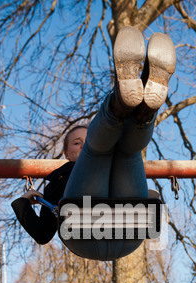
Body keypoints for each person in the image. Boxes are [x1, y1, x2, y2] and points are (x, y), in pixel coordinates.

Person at [12, 26, 176, 260]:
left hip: (126, 232)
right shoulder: (58, 181)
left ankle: (145, 107)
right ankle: (122, 102)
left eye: (86, 139)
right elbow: (42, 234)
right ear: (67, 153)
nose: (82, 144)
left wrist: (148, 195)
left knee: (127, 151)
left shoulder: (107, 155)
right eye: (77, 143)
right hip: (83, 233)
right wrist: (24, 202)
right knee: (106, 152)